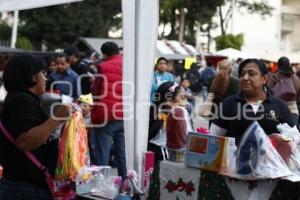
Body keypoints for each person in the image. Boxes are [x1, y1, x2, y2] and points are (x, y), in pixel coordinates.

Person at [0, 55, 71, 199]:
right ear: (32, 77)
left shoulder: (22, 99)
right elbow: (25, 142)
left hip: (26, 187)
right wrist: (57, 118)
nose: (46, 78)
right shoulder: (21, 100)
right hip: (25, 189)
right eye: (42, 73)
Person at [210, 59, 295, 144]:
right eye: (242, 74)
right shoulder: (228, 104)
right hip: (234, 157)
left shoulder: (280, 106)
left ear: (264, 79)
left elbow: (293, 137)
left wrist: (282, 141)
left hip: (272, 157)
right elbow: (214, 138)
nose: (245, 78)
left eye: (251, 74)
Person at [91, 42, 126, 177]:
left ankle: (101, 185)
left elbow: (95, 90)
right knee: (122, 153)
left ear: (104, 54)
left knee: (102, 153)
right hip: (124, 114)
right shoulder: (129, 65)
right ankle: (126, 184)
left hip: (106, 115)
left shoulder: (103, 66)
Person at [268, 56, 300, 127]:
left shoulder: (274, 77)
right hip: (293, 110)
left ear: (278, 65)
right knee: (292, 135)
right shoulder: (297, 79)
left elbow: (267, 93)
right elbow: (298, 98)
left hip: (276, 109)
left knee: (276, 135)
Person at [208, 59, 239, 125]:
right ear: (230, 68)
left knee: (212, 135)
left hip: (214, 114)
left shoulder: (211, 80)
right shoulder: (236, 82)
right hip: (228, 116)